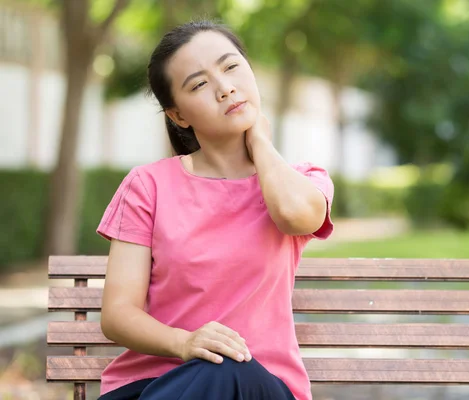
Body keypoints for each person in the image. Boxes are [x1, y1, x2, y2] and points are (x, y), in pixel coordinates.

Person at [96, 19, 334, 400]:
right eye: (200, 84)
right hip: (152, 387)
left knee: (227, 365)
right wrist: (185, 342)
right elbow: (118, 315)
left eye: (231, 67)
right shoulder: (148, 186)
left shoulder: (303, 180)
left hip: (258, 385)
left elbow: (293, 216)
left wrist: (258, 138)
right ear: (178, 116)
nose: (225, 88)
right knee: (211, 369)